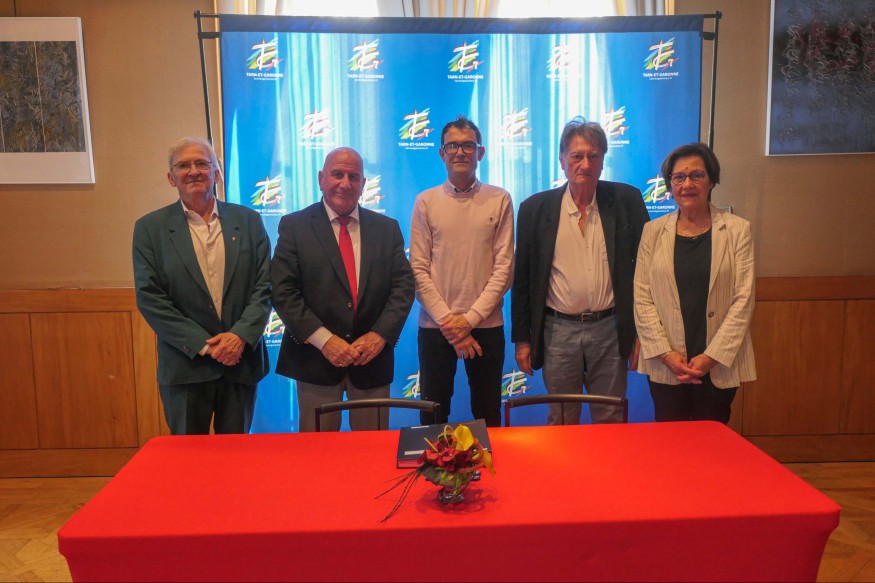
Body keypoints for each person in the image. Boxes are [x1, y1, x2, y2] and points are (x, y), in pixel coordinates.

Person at [511, 117, 649, 424]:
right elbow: (523, 281)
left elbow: (647, 272)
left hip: (611, 329)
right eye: (576, 156)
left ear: (602, 161)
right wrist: (523, 340)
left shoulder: (627, 200)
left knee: (611, 416)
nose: (585, 164)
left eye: (593, 156)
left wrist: (640, 333)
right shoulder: (535, 209)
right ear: (562, 160)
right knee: (561, 418)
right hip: (558, 331)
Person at [133, 137, 271, 435]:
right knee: (187, 456)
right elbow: (150, 298)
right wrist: (204, 346)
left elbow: (265, 285)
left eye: (202, 164)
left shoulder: (249, 221)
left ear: (217, 173)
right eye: (183, 165)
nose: (193, 171)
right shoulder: (150, 229)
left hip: (240, 362)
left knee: (235, 455)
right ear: (171, 177)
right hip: (185, 366)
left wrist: (238, 337)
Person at [270, 147, 414, 432]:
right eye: (337, 174)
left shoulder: (387, 228)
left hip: (371, 360)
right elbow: (283, 290)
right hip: (315, 360)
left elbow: (403, 287)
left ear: (363, 183)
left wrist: (379, 335)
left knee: (372, 451)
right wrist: (325, 341)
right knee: (317, 452)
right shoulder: (295, 226)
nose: (345, 184)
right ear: (321, 179)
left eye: (353, 177)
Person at [634, 143, 756, 423]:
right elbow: (642, 298)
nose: (687, 184)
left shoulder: (738, 230)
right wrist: (666, 354)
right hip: (667, 364)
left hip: (718, 363)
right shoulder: (652, 232)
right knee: (670, 439)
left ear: (711, 180)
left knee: (711, 440)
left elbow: (744, 299)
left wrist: (711, 357)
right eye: (679, 177)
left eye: (697, 176)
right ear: (670, 184)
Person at [409, 116, 514, 427]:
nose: (460, 152)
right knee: (433, 413)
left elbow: (504, 268)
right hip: (436, 327)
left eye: (468, 145)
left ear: (480, 152)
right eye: (452, 146)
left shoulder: (500, 199)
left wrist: (468, 321)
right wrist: (450, 324)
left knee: (488, 412)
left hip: (486, 325)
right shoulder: (425, 201)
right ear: (442, 153)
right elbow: (418, 271)